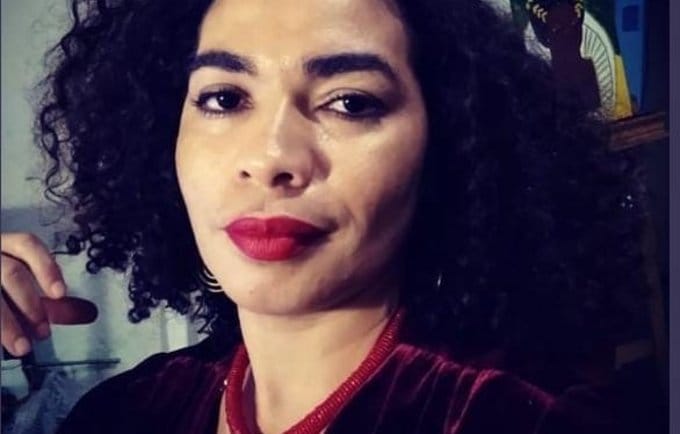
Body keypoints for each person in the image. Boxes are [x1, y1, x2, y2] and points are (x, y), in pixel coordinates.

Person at [0, 0, 647, 432]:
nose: (272, 158)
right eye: (223, 98)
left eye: (351, 103)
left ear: (449, 149)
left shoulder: (520, 417)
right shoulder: (123, 413)